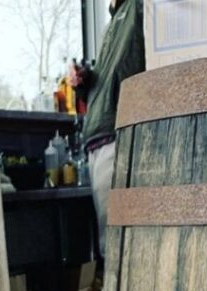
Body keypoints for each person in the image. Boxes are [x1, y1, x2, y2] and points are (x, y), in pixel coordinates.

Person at [69, 0, 145, 261]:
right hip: (101, 134)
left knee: (116, 243)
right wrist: (85, 81)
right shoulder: (115, 19)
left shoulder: (136, 8)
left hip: (117, 132)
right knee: (113, 240)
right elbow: (112, 75)